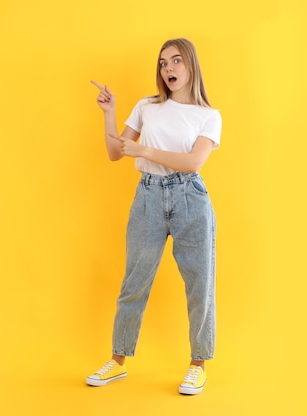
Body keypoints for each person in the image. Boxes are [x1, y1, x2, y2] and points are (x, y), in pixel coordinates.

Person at [87, 38, 222, 395]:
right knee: (134, 281)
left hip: (190, 197)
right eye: (163, 63)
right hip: (148, 194)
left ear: (191, 66)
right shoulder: (147, 106)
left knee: (199, 285)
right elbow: (117, 153)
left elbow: (193, 162)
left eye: (176, 61)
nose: (169, 69)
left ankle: (198, 364)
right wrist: (110, 113)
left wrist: (144, 149)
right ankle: (117, 362)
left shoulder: (208, 115)